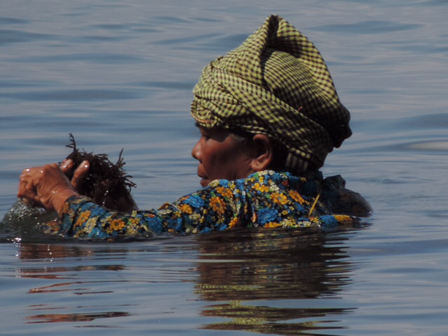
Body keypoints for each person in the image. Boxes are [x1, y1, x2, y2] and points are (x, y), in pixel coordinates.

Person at [17, 15, 371, 240]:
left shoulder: (228, 200)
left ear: (260, 153)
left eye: (206, 135)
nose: (196, 150)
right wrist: (130, 216)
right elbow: (135, 230)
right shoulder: (346, 202)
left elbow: (107, 232)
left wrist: (58, 194)